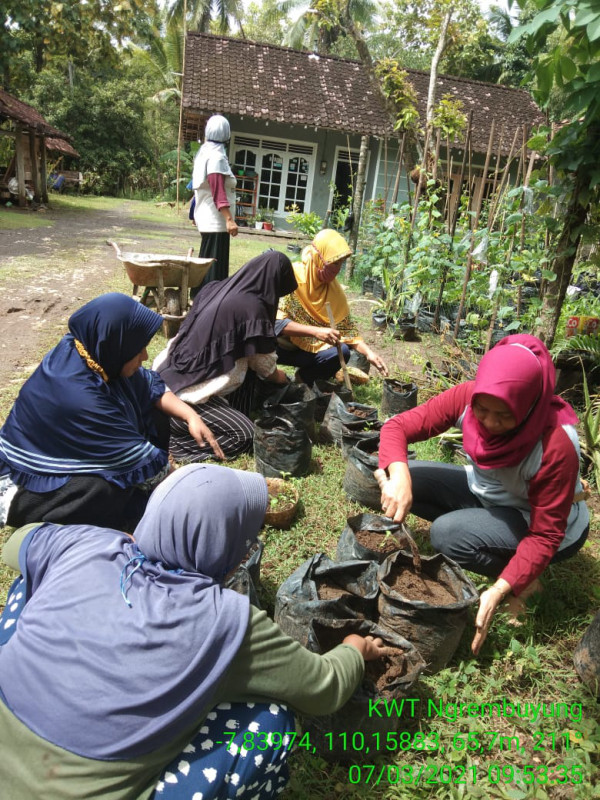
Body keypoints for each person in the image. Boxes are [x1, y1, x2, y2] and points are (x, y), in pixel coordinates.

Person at [0, 463, 387, 800]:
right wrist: (355, 647)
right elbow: (324, 688)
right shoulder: (226, 620)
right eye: (247, 538)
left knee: (28, 581)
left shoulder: (85, 544)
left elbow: (15, 544)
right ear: (230, 549)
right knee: (272, 720)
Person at [377, 334, 590, 656]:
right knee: (412, 476)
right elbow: (397, 427)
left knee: (449, 535)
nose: (490, 422)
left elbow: (546, 533)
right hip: (490, 493)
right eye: (483, 409)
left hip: (540, 522)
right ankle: (483, 530)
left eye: (505, 415)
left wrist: (501, 588)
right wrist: (401, 476)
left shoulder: (555, 444)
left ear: (530, 403)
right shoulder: (467, 396)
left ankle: (525, 581)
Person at [0, 293, 223, 531]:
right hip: (29, 485)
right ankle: (51, 528)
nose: (145, 357)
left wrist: (191, 416)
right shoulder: (80, 398)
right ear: (116, 345)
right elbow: (151, 465)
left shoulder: (91, 351)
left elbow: (148, 384)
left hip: (63, 458)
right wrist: (200, 495)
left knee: (157, 412)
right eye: (139, 350)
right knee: (104, 490)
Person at [154, 250, 298, 462]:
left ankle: (214, 415)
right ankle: (175, 442)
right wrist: (286, 381)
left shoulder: (215, 288)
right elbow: (267, 370)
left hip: (164, 378)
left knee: (247, 367)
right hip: (184, 398)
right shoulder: (253, 309)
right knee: (246, 436)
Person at [275, 228, 389, 385]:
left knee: (341, 351)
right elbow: (277, 324)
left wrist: (369, 353)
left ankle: (301, 381)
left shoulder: (335, 291)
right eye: (334, 263)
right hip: (278, 346)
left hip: (307, 351)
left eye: (341, 264)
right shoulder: (293, 277)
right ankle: (265, 376)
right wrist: (316, 332)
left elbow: (347, 331)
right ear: (318, 257)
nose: (337, 270)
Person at [192, 114, 238, 288]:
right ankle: (207, 304)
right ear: (226, 134)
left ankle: (201, 301)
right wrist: (229, 219)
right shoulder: (217, 157)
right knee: (213, 271)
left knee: (206, 265)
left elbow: (196, 187)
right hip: (216, 221)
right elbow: (216, 188)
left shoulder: (204, 152)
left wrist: (192, 213)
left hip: (209, 219)